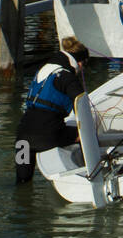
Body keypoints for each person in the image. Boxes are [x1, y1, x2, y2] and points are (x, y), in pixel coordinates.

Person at [14, 36, 89, 184]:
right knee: (84, 133)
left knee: (22, 183)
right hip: (48, 137)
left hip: (21, 138)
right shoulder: (67, 77)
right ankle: (89, 175)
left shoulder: (42, 71)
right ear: (80, 63)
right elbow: (82, 106)